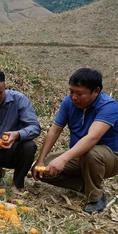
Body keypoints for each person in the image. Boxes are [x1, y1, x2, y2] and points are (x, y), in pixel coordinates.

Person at [32, 68, 118, 214]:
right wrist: (40, 160)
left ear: (96, 91)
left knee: (91, 152)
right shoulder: (68, 102)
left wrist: (64, 158)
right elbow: (54, 130)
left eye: (79, 93)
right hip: (80, 155)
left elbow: (93, 138)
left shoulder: (109, 106)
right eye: (71, 91)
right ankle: (84, 185)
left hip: (109, 157)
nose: (74, 97)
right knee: (44, 170)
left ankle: (95, 197)